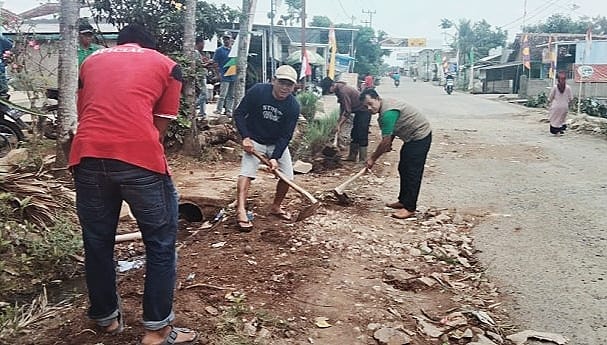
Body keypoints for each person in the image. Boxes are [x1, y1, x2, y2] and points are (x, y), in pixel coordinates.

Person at [69, 24, 198, 345]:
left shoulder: (92, 61)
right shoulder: (167, 65)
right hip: (137, 155)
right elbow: (160, 125)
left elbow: (86, 110)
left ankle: (106, 319)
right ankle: (157, 330)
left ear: (120, 43)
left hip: (86, 154)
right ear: (149, 46)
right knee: (160, 242)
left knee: (97, 241)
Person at [233, 65, 300, 231]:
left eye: (289, 85)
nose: (285, 87)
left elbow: (286, 135)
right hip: (254, 140)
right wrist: (245, 137)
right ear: (273, 81)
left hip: (276, 142)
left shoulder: (293, 106)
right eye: (282, 82)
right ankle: (240, 209)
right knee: (246, 173)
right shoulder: (258, 91)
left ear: (294, 87)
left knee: (288, 177)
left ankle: (276, 207)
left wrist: (275, 157)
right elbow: (239, 113)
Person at [359, 88, 432, 219]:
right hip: (411, 138)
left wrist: (372, 159)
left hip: (420, 136)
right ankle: (403, 200)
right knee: (403, 168)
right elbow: (390, 133)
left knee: (412, 171)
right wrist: (388, 143)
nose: (369, 108)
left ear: (377, 98)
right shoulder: (384, 108)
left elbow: (385, 141)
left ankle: (410, 208)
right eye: (366, 106)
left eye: (370, 103)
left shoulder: (387, 113)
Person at [320, 77, 372, 162]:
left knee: (362, 134)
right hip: (358, 111)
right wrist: (339, 121)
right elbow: (343, 107)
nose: (329, 92)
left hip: (365, 110)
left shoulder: (343, 91)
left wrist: (340, 124)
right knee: (354, 133)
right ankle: (352, 157)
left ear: (332, 85)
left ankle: (363, 160)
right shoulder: (338, 89)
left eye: (328, 89)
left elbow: (347, 111)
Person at [213, 32, 236, 116]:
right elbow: (215, 62)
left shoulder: (235, 50)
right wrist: (217, 74)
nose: (226, 40)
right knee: (223, 94)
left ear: (231, 40)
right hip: (224, 74)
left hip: (234, 75)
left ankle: (228, 110)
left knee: (231, 95)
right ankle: (218, 110)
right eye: (225, 39)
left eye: (228, 38)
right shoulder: (219, 50)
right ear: (223, 40)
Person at [194, 36, 216, 119]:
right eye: (203, 43)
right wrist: (208, 64)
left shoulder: (200, 53)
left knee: (202, 93)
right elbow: (198, 65)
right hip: (200, 75)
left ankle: (202, 112)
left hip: (203, 75)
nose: (203, 45)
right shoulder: (195, 52)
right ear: (199, 43)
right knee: (204, 94)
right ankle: (192, 107)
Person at [547, 71, 573, 135]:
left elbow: (550, 97)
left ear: (558, 79)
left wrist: (548, 102)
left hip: (556, 106)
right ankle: (561, 130)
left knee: (554, 119)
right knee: (562, 119)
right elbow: (571, 98)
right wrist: (570, 105)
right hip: (564, 106)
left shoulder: (555, 87)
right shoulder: (568, 88)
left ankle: (556, 131)